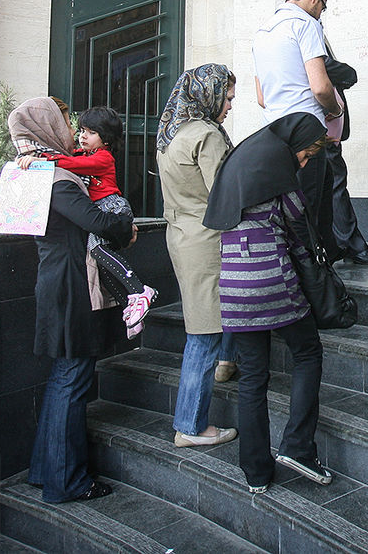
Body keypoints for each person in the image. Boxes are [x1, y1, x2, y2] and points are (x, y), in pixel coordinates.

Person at [9, 97, 136, 504]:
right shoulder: (54, 176)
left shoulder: (28, 168)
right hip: (71, 285)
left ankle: (47, 471)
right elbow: (96, 222)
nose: (70, 125)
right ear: (44, 124)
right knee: (73, 381)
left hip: (56, 279)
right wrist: (123, 226)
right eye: (63, 118)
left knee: (63, 379)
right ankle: (68, 482)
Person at [203, 113, 334, 494]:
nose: (304, 163)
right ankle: (297, 447)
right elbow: (298, 225)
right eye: (305, 155)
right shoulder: (278, 175)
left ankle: (256, 472)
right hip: (271, 279)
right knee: (307, 351)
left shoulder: (236, 170)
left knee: (253, 377)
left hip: (234, 288)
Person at [154, 63, 239, 448]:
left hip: (181, 237)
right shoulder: (206, 135)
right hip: (208, 242)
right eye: (227, 98)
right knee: (203, 334)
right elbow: (225, 193)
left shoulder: (170, 134)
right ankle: (190, 425)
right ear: (210, 93)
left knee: (207, 321)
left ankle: (227, 362)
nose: (229, 106)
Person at [17, 105, 156, 338]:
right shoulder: (85, 153)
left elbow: (75, 165)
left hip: (111, 206)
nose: (82, 136)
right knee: (101, 263)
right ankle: (130, 307)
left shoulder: (103, 158)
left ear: (107, 139)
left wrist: (45, 159)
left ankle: (139, 290)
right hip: (102, 209)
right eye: (81, 130)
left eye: (90, 132)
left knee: (99, 251)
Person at [253, 0, 344, 258]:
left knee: (292, 208)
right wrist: (334, 109)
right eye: (324, 4)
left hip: (275, 132)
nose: (322, 11)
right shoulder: (305, 24)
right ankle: (316, 279)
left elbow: (261, 98)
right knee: (311, 210)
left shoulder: (263, 31)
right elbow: (320, 87)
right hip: (307, 131)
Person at [324, 40, 368, 266]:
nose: (324, 6)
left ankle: (344, 245)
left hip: (319, 128)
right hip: (321, 128)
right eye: (324, 1)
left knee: (331, 186)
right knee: (334, 186)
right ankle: (351, 245)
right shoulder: (304, 28)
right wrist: (347, 73)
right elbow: (326, 68)